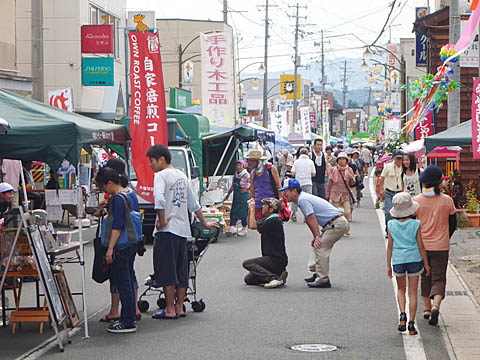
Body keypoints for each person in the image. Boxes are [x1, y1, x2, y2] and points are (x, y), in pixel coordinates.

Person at [147, 145, 218, 319]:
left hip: (167, 231)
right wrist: (204, 223)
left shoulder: (160, 176)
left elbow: (159, 199)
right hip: (183, 230)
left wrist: (162, 221)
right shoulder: (182, 176)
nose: (150, 165)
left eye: (152, 161)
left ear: (161, 159)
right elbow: (193, 204)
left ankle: (169, 309)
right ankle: (179, 306)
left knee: (166, 269)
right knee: (181, 269)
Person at [95, 167, 139, 333]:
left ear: (110, 183)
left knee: (123, 283)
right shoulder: (130, 193)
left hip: (121, 244)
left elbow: (118, 225)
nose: (103, 191)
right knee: (127, 280)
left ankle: (128, 321)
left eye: (103, 187)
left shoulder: (118, 198)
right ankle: (128, 318)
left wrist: (110, 248)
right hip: (132, 242)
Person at [282, 178, 348, 288]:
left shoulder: (303, 199)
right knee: (317, 245)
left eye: (286, 191)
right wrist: (315, 236)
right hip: (333, 223)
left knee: (320, 247)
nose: (285, 194)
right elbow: (309, 219)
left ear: (294, 191)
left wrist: (317, 236)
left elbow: (311, 218)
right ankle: (318, 273)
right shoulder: (302, 198)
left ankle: (323, 279)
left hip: (336, 223)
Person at [413, 166, 457, 326]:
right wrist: (445, 236)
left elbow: (411, 224)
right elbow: (453, 223)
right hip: (441, 246)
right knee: (439, 278)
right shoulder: (447, 201)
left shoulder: (416, 201)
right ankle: (436, 305)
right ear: (439, 184)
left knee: (425, 277)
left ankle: (426, 308)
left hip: (423, 246)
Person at [387, 192, 430, 336]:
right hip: (414, 258)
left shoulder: (391, 224)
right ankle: (412, 324)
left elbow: (390, 246)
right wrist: (426, 263)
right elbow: (421, 245)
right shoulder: (415, 224)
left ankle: (402, 316)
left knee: (401, 289)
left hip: (398, 259)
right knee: (412, 292)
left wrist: (388, 265)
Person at [243, 198, 288, 288]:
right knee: (249, 279)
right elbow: (250, 225)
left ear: (271, 209)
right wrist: (249, 210)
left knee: (247, 263)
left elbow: (253, 225)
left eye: (265, 205)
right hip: (271, 259)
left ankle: (273, 278)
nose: (262, 207)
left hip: (276, 259)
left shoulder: (273, 221)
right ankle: (279, 275)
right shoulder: (269, 219)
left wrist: (252, 209)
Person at [247, 149, 281, 221]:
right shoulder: (253, 173)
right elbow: (252, 190)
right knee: (260, 227)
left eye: (251, 161)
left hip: (271, 204)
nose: (249, 163)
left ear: (257, 161)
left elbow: (278, 186)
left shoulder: (270, 169)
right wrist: (251, 204)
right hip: (258, 204)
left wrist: (281, 200)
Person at [326, 152, 355, 225]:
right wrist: (327, 192)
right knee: (337, 212)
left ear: (346, 161)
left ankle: (346, 227)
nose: (342, 161)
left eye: (343, 159)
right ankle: (339, 227)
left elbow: (352, 183)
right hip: (335, 193)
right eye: (340, 159)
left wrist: (351, 178)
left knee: (347, 212)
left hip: (345, 194)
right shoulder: (334, 170)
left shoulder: (349, 170)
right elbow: (330, 182)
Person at [379, 150, 404, 234]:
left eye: (401, 159)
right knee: (388, 212)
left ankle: (398, 231)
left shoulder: (404, 167)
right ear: (394, 158)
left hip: (400, 193)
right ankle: (388, 230)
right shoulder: (388, 166)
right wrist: (381, 189)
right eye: (397, 159)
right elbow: (382, 178)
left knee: (400, 213)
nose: (399, 161)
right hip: (389, 192)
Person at [224, 160, 250, 236]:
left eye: (240, 165)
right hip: (236, 195)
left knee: (243, 212)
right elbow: (232, 186)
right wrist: (228, 194)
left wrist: (247, 189)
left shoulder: (246, 175)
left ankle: (244, 228)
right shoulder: (235, 174)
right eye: (237, 165)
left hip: (243, 196)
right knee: (234, 211)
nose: (238, 167)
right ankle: (232, 228)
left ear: (243, 166)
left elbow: (252, 183)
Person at [291, 148, 316, 221]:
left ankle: (294, 213)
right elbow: (314, 174)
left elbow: (293, 173)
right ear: (307, 153)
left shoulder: (296, 162)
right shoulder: (310, 162)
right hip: (308, 182)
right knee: (308, 199)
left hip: (298, 183)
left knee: (295, 198)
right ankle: (307, 215)